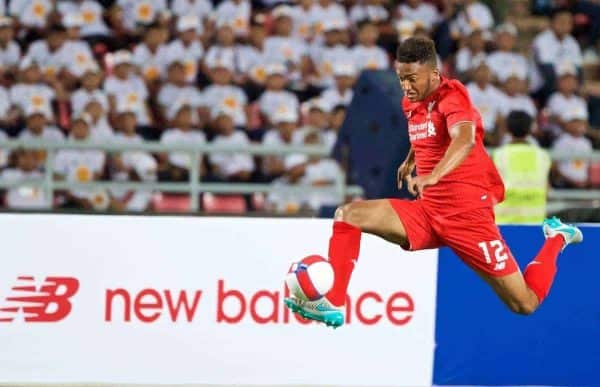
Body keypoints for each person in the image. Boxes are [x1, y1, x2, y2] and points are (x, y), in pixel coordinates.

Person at [284, 37, 583, 328]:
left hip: (467, 217)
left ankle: (556, 237)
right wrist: (411, 160)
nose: (406, 86)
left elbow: (463, 139)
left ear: (434, 74)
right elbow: (425, 132)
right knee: (348, 215)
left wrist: (435, 175)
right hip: (428, 212)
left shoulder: (453, 97)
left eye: (412, 78)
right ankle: (335, 301)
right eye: (401, 78)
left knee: (524, 304)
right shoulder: (410, 101)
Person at [493, 111, 551, 224]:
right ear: (530, 129)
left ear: (507, 129)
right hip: (535, 224)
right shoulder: (543, 156)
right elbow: (547, 188)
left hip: (503, 225)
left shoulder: (498, 155)